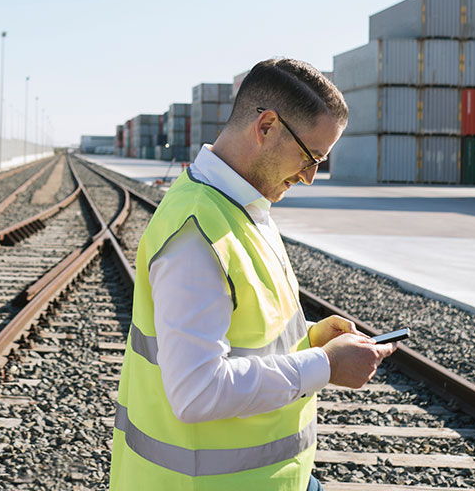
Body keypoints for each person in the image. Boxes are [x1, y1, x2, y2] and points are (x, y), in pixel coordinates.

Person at [109, 58, 396, 491]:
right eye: (310, 156)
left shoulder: (245, 208)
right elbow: (196, 391)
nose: (311, 176)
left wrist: (312, 338)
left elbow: (246, 331)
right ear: (266, 127)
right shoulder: (197, 232)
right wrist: (324, 365)